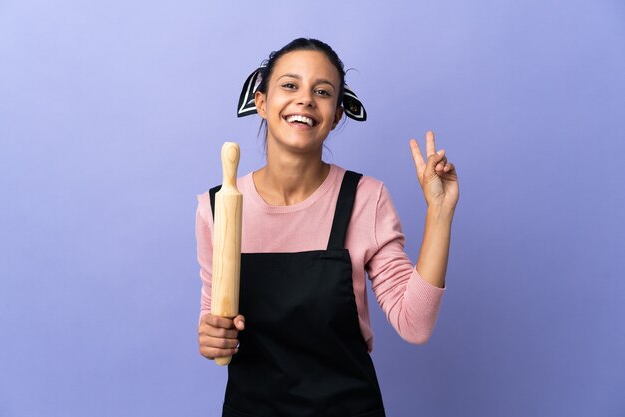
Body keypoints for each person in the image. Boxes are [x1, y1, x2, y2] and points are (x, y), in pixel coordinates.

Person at [195, 38, 459, 417]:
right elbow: (214, 321)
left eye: (322, 91)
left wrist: (440, 212)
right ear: (262, 102)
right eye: (290, 85)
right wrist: (212, 338)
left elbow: (414, 325)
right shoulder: (216, 207)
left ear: (336, 115)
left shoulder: (365, 198)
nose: (305, 99)